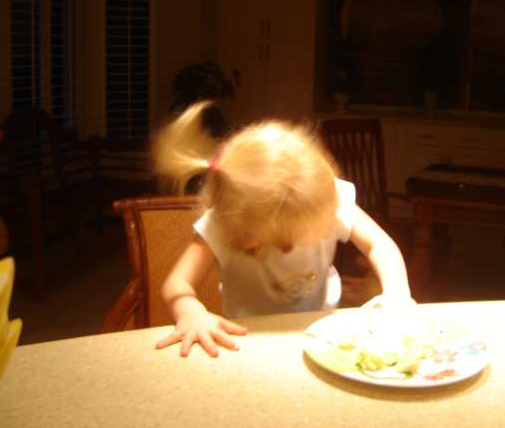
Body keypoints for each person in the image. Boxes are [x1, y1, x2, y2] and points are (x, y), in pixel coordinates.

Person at [153, 102, 414, 357]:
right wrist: (191, 313)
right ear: (262, 240)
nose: (335, 216)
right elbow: (177, 284)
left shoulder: (325, 196)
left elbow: (380, 243)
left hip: (321, 333)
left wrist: (397, 292)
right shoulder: (222, 228)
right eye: (321, 222)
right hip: (252, 342)